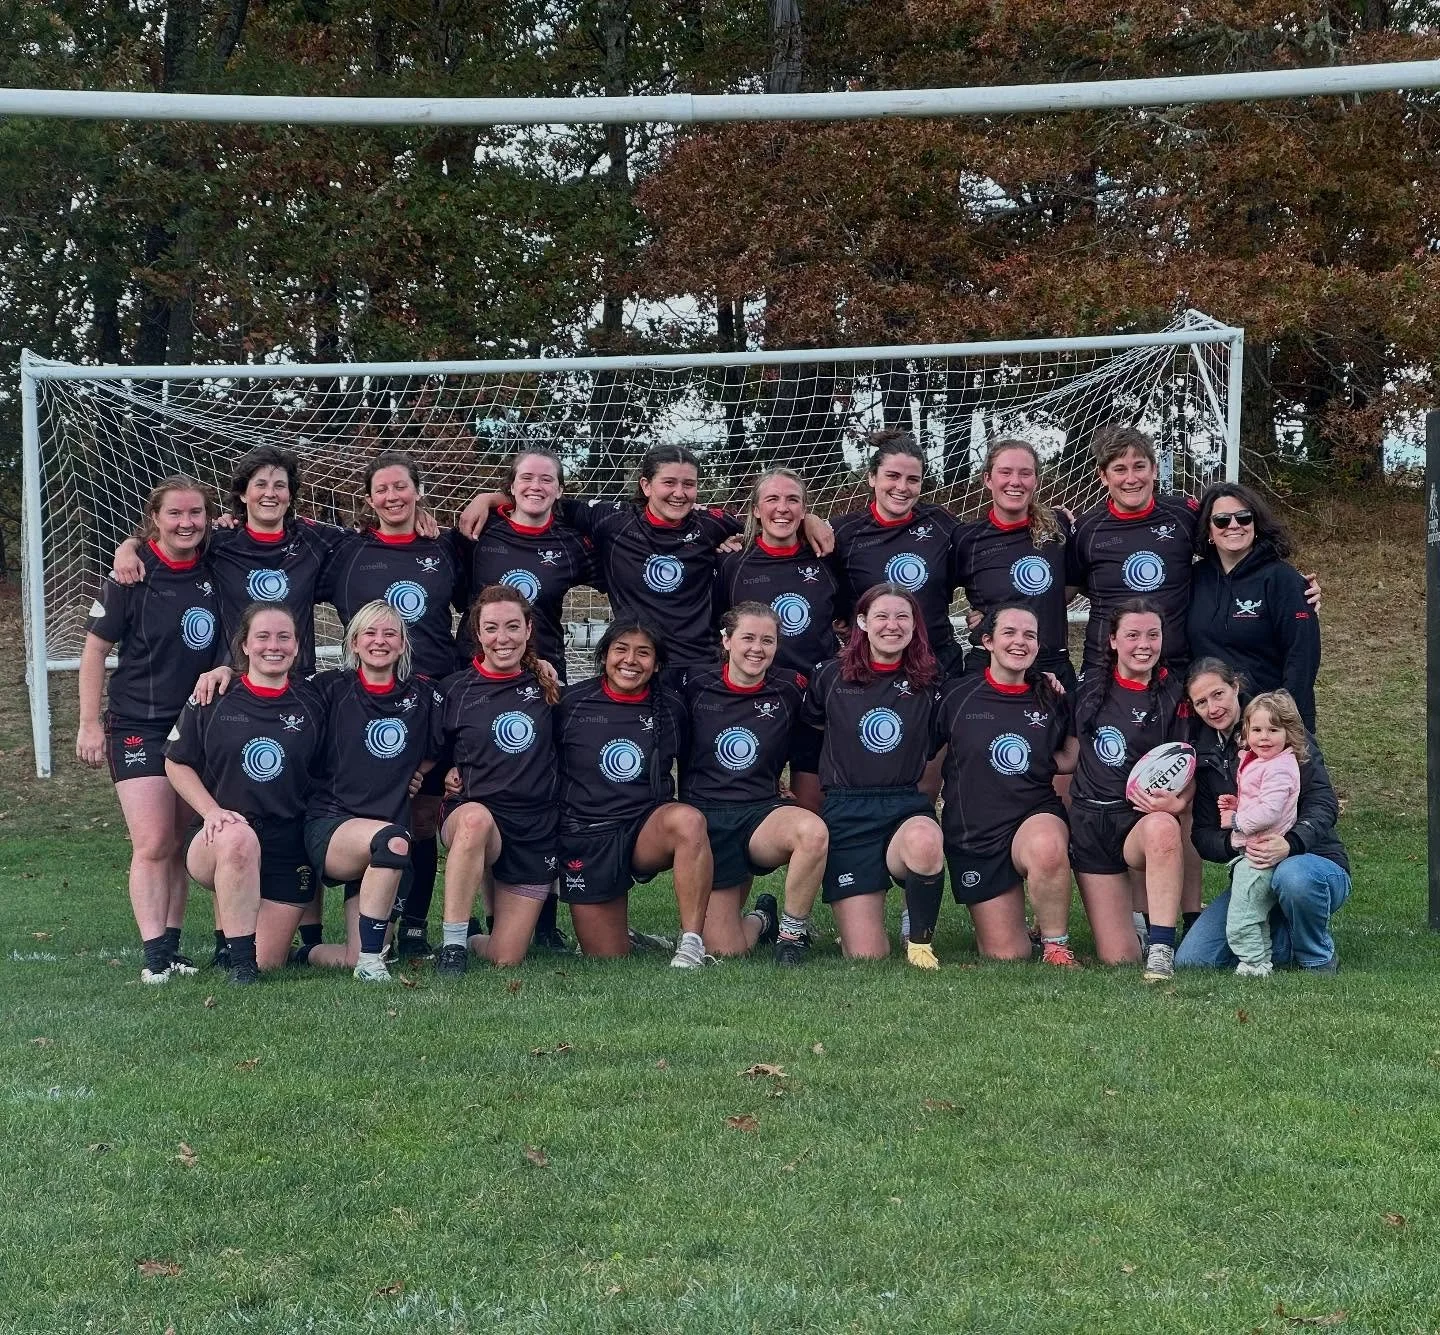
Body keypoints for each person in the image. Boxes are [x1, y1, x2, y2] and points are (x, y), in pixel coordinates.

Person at [460, 444, 832, 691]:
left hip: (698, 663)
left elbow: (769, 518)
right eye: (669, 482)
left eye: (689, 485)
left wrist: (810, 518)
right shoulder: (613, 522)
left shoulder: (711, 524)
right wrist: (491, 498)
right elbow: (543, 499)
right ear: (646, 485)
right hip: (638, 660)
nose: (679, 492)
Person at [318, 451, 469, 961]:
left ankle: (414, 927)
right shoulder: (347, 551)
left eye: (401, 487)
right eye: (382, 489)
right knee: (366, 811)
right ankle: (353, 926)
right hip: (363, 704)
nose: (392, 497)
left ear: (418, 491)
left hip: (425, 706)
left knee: (422, 817)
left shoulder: (444, 545)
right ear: (369, 500)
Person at [76, 476, 221, 983]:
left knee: (181, 839)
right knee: (154, 840)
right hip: (138, 723)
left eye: (196, 514)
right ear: (155, 518)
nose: (187, 523)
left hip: (196, 726)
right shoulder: (130, 576)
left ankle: (173, 948)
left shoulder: (215, 565)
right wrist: (89, 723)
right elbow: (95, 650)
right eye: (175, 514)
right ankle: (154, 955)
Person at [163, 604, 323, 985]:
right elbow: (176, 763)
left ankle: (262, 955)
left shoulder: (315, 700)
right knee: (239, 837)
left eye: (284, 637)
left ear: (297, 647)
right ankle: (240, 966)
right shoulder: (214, 695)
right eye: (263, 637)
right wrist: (212, 811)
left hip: (287, 844)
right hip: (220, 838)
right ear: (245, 646)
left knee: (271, 959)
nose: (274, 646)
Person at [283, 601, 442, 982]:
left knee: (354, 951)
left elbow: (441, 747)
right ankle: (372, 967)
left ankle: (305, 954)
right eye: (370, 633)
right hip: (334, 825)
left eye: (390, 634)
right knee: (393, 841)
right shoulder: (328, 688)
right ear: (354, 642)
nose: (380, 641)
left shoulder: (422, 696)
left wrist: (414, 772)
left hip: (386, 842)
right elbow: (269, 690)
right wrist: (222, 671)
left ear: (403, 644)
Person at [553, 620, 715, 967]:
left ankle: (691, 944)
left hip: (645, 828)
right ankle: (626, 937)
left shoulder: (672, 708)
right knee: (607, 957)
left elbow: (694, 765)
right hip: (590, 835)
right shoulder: (570, 704)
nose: (631, 660)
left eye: (643, 653)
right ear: (604, 656)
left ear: (657, 664)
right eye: (621, 650)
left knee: (688, 820)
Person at [801, 583, 945, 965]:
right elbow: (810, 739)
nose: (892, 625)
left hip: (903, 804)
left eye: (903, 617)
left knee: (926, 841)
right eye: (881, 616)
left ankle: (919, 943)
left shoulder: (930, 680)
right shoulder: (829, 678)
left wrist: (1041, 681)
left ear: (915, 626)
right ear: (862, 622)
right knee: (866, 955)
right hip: (847, 811)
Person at [113, 445, 349, 676]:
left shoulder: (313, 539)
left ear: (289, 495)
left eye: (280, 486)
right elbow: (168, 540)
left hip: (296, 681)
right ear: (244, 494)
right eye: (260, 484)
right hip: (232, 682)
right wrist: (129, 547)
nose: (270, 493)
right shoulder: (217, 541)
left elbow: (367, 542)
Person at [932, 603, 1080, 967]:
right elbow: (928, 757)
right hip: (976, 835)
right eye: (1009, 633)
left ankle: (1055, 945)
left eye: (1029, 635)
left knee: (1047, 847)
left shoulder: (1051, 695)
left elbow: (1070, 754)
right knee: (1006, 955)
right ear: (988, 642)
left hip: (1033, 814)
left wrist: (1039, 762)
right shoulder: (956, 696)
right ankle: (1023, 930)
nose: (1020, 642)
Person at [681, 603, 829, 966]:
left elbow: (822, 733)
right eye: (747, 638)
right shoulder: (692, 685)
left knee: (812, 832)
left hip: (761, 815)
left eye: (768, 640)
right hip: (708, 820)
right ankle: (764, 917)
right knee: (725, 950)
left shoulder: (792, 688)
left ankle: (792, 935)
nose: (757, 648)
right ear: (726, 640)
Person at [1178, 659, 1349, 973]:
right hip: (1255, 869)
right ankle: (1283, 941)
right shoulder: (1203, 752)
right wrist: (1238, 842)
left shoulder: (1277, 726)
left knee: (1293, 877)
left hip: (1311, 859)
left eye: (1218, 694)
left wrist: (1291, 843)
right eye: (1201, 702)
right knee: (1193, 959)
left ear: (1236, 686)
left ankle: (1316, 956)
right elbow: (1203, 835)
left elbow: (1323, 802)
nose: (1213, 707)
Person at [435, 586, 562, 974]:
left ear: (528, 629)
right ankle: (453, 945)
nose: (501, 638)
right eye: (491, 628)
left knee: (507, 957)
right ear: (477, 632)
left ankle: (476, 936)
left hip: (534, 828)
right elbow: (430, 753)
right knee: (475, 819)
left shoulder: (549, 685)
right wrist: (443, 773)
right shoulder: (453, 690)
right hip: (474, 817)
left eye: (511, 627)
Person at [1067, 598, 1193, 981]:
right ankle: (1135, 924)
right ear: (1112, 641)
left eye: (1152, 635)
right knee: (1118, 959)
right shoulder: (1086, 689)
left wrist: (1179, 801)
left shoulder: (1175, 694)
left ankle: (1161, 947)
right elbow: (1063, 752)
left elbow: (1189, 763)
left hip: (1137, 824)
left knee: (1164, 826)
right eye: (1133, 635)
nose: (1144, 645)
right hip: (1090, 824)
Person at [715, 468, 847, 813]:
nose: (782, 508)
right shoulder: (733, 564)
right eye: (772, 499)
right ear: (756, 510)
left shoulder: (827, 557)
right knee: (743, 813)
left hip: (815, 703)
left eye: (793, 500)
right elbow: (719, 629)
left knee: (811, 812)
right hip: (755, 704)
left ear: (805, 510)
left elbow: (850, 616)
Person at [1067, 425, 1200, 683]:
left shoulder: (1185, 514)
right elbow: (1057, 594)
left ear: (1153, 469)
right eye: (1119, 469)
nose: (1131, 478)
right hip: (1104, 668)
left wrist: (1296, 585)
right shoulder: (1087, 529)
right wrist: (992, 610)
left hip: (1174, 669)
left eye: (1139, 466)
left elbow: (1235, 554)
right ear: (1103, 476)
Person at [830, 429, 966, 680]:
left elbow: (985, 564)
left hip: (937, 661)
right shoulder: (842, 532)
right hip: (870, 666)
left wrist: (986, 610)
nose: (902, 487)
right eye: (892, 476)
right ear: (872, 477)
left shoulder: (941, 523)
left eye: (913, 479)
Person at [1188, 482, 1322, 732]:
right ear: (1208, 529)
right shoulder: (1193, 579)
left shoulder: (1284, 580)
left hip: (1268, 724)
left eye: (1243, 517)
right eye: (1221, 520)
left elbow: (1302, 658)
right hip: (1212, 721)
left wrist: (1278, 720)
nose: (1234, 525)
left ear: (1256, 524)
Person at [951, 439, 1078, 691]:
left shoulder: (1058, 526)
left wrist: (1039, 604)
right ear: (988, 479)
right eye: (1005, 472)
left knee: (1067, 732)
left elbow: (1074, 582)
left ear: (1036, 480)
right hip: (989, 665)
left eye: (1025, 473)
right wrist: (989, 621)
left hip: (1051, 662)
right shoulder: (966, 538)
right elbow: (934, 592)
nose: (1015, 481)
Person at [458, 448, 596, 679]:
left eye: (546, 479)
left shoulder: (572, 544)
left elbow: (622, 574)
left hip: (543, 669)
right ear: (511, 486)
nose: (536, 486)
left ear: (559, 490)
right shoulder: (479, 529)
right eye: (526, 478)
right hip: (474, 669)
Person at [1220, 690, 1306, 978]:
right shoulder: (1262, 762)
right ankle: (1261, 960)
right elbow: (1263, 801)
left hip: (1261, 857)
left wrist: (1237, 820)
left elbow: (1269, 812)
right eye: (1256, 729)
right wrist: (1239, 803)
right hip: (1256, 853)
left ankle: (1254, 963)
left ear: (1288, 733)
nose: (1264, 737)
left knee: (1243, 916)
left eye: (1273, 729)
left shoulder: (1279, 768)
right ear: (1246, 731)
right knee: (1251, 912)